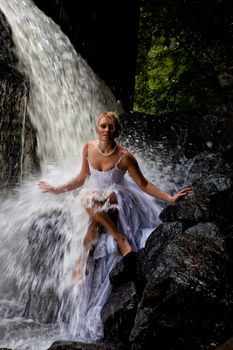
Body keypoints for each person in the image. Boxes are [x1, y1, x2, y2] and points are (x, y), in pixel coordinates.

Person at [38, 111, 192, 340]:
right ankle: (102, 248)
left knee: (87, 199)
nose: (106, 130)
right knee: (90, 209)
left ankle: (111, 243)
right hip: (98, 202)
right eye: (103, 126)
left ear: (117, 130)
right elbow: (82, 178)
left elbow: (143, 183)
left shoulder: (125, 156)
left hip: (120, 199)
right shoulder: (88, 148)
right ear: (97, 128)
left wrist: (169, 199)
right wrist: (56, 189)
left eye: (111, 127)